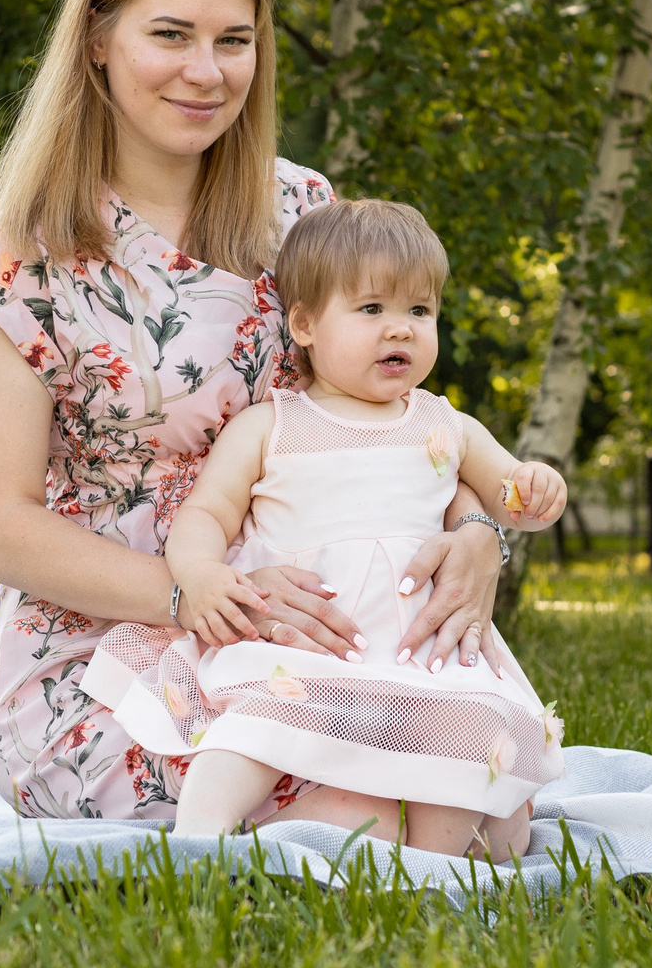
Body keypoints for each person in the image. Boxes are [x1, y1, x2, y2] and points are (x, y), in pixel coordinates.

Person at [0, 0, 507, 830]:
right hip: (104, 656)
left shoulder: (304, 212)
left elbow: (390, 409)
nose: (205, 72)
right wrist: (195, 590)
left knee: (478, 789)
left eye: (233, 40)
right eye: (170, 34)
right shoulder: (22, 261)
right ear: (96, 40)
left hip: (318, 642)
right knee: (349, 797)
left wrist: (481, 532)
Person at [83, 199, 568, 857]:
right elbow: (206, 514)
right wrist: (200, 574)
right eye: (372, 309)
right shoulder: (272, 425)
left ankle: (437, 864)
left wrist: (534, 486)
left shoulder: (443, 424)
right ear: (306, 324)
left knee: (476, 744)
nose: (400, 329)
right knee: (253, 728)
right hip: (308, 649)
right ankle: (200, 842)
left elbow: (505, 494)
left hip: (420, 659)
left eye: (419, 312)